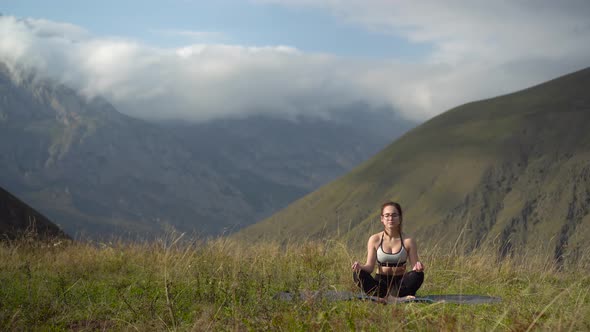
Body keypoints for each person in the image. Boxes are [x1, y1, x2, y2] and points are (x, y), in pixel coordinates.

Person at [351, 201, 424, 299]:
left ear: (400, 218)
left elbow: (415, 267)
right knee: (358, 274)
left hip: (400, 284)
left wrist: (419, 268)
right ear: (382, 219)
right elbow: (369, 267)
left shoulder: (408, 241)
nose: (390, 218)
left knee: (418, 275)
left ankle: (389, 297)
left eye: (394, 215)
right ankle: (394, 298)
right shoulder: (375, 239)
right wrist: (360, 267)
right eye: (387, 215)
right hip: (380, 283)